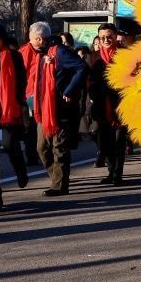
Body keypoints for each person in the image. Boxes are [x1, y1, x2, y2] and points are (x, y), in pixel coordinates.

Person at [28, 21, 87, 196]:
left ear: (39, 39)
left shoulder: (59, 51)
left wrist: (69, 90)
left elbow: (82, 68)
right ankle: (57, 178)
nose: (29, 43)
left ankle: (59, 185)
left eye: (31, 39)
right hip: (43, 109)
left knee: (59, 148)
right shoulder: (42, 52)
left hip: (59, 108)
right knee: (41, 148)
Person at [0, 23, 29, 203]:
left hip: (9, 107)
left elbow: (21, 80)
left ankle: (20, 169)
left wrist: (18, 101)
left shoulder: (14, 56)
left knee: (9, 145)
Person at [87, 22, 130, 185]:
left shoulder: (125, 54)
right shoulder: (92, 56)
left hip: (120, 103)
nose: (106, 40)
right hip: (100, 103)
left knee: (119, 140)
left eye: (109, 36)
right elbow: (88, 79)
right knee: (103, 140)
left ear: (115, 36)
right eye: (102, 37)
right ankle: (111, 170)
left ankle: (117, 174)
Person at [18, 23, 47, 167]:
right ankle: (31, 155)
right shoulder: (23, 52)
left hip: (46, 95)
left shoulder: (50, 51)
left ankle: (43, 153)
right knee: (30, 128)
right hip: (28, 96)